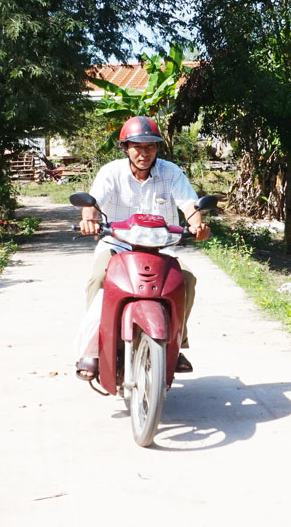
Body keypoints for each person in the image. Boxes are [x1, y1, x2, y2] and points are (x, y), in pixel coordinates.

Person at [75, 115, 210, 381]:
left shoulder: (171, 173)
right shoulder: (111, 172)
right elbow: (93, 202)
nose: (144, 153)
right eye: (137, 146)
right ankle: (93, 349)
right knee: (99, 279)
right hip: (117, 245)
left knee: (186, 279)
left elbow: (189, 205)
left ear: (158, 148)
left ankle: (176, 342)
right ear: (125, 148)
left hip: (162, 247)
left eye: (150, 147)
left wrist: (197, 226)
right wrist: (88, 220)